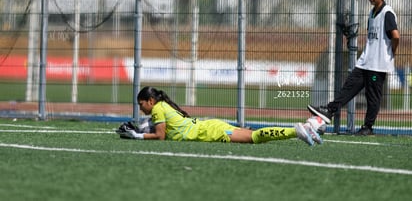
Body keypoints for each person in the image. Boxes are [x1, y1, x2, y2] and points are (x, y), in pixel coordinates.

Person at [308, 0, 400, 135]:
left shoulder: (387, 13)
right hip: (365, 62)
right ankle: (329, 111)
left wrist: (392, 52)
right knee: (349, 87)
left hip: (378, 65)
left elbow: (395, 36)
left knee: (373, 97)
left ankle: (368, 127)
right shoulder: (372, 13)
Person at [117, 86, 323, 146]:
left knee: (254, 137)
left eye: (141, 104)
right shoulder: (160, 107)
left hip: (211, 130)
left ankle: (296, 130)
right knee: (253, 136)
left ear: (150, 101)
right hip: (210, 126)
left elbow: (160, 136)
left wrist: (137, 135)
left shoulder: (158, 109)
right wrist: (140, 128)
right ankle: (302, 129)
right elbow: (155, 128)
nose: (141, 108)